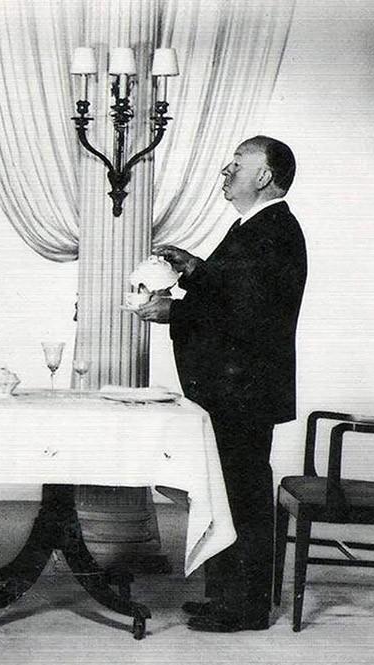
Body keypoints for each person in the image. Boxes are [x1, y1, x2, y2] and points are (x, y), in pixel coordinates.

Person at [136, 136, 307, 633]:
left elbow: (248, 314)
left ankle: (246, 608)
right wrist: (193, 267)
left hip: (244, 391)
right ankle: (227, 596)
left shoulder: (273, 229)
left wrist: (174, 311)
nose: (226, 172)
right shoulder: (255, 227)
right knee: (228, 491)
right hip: (237, 388)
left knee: (242, 493)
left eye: (237, 164)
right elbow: (232, 291)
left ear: (264, 176)